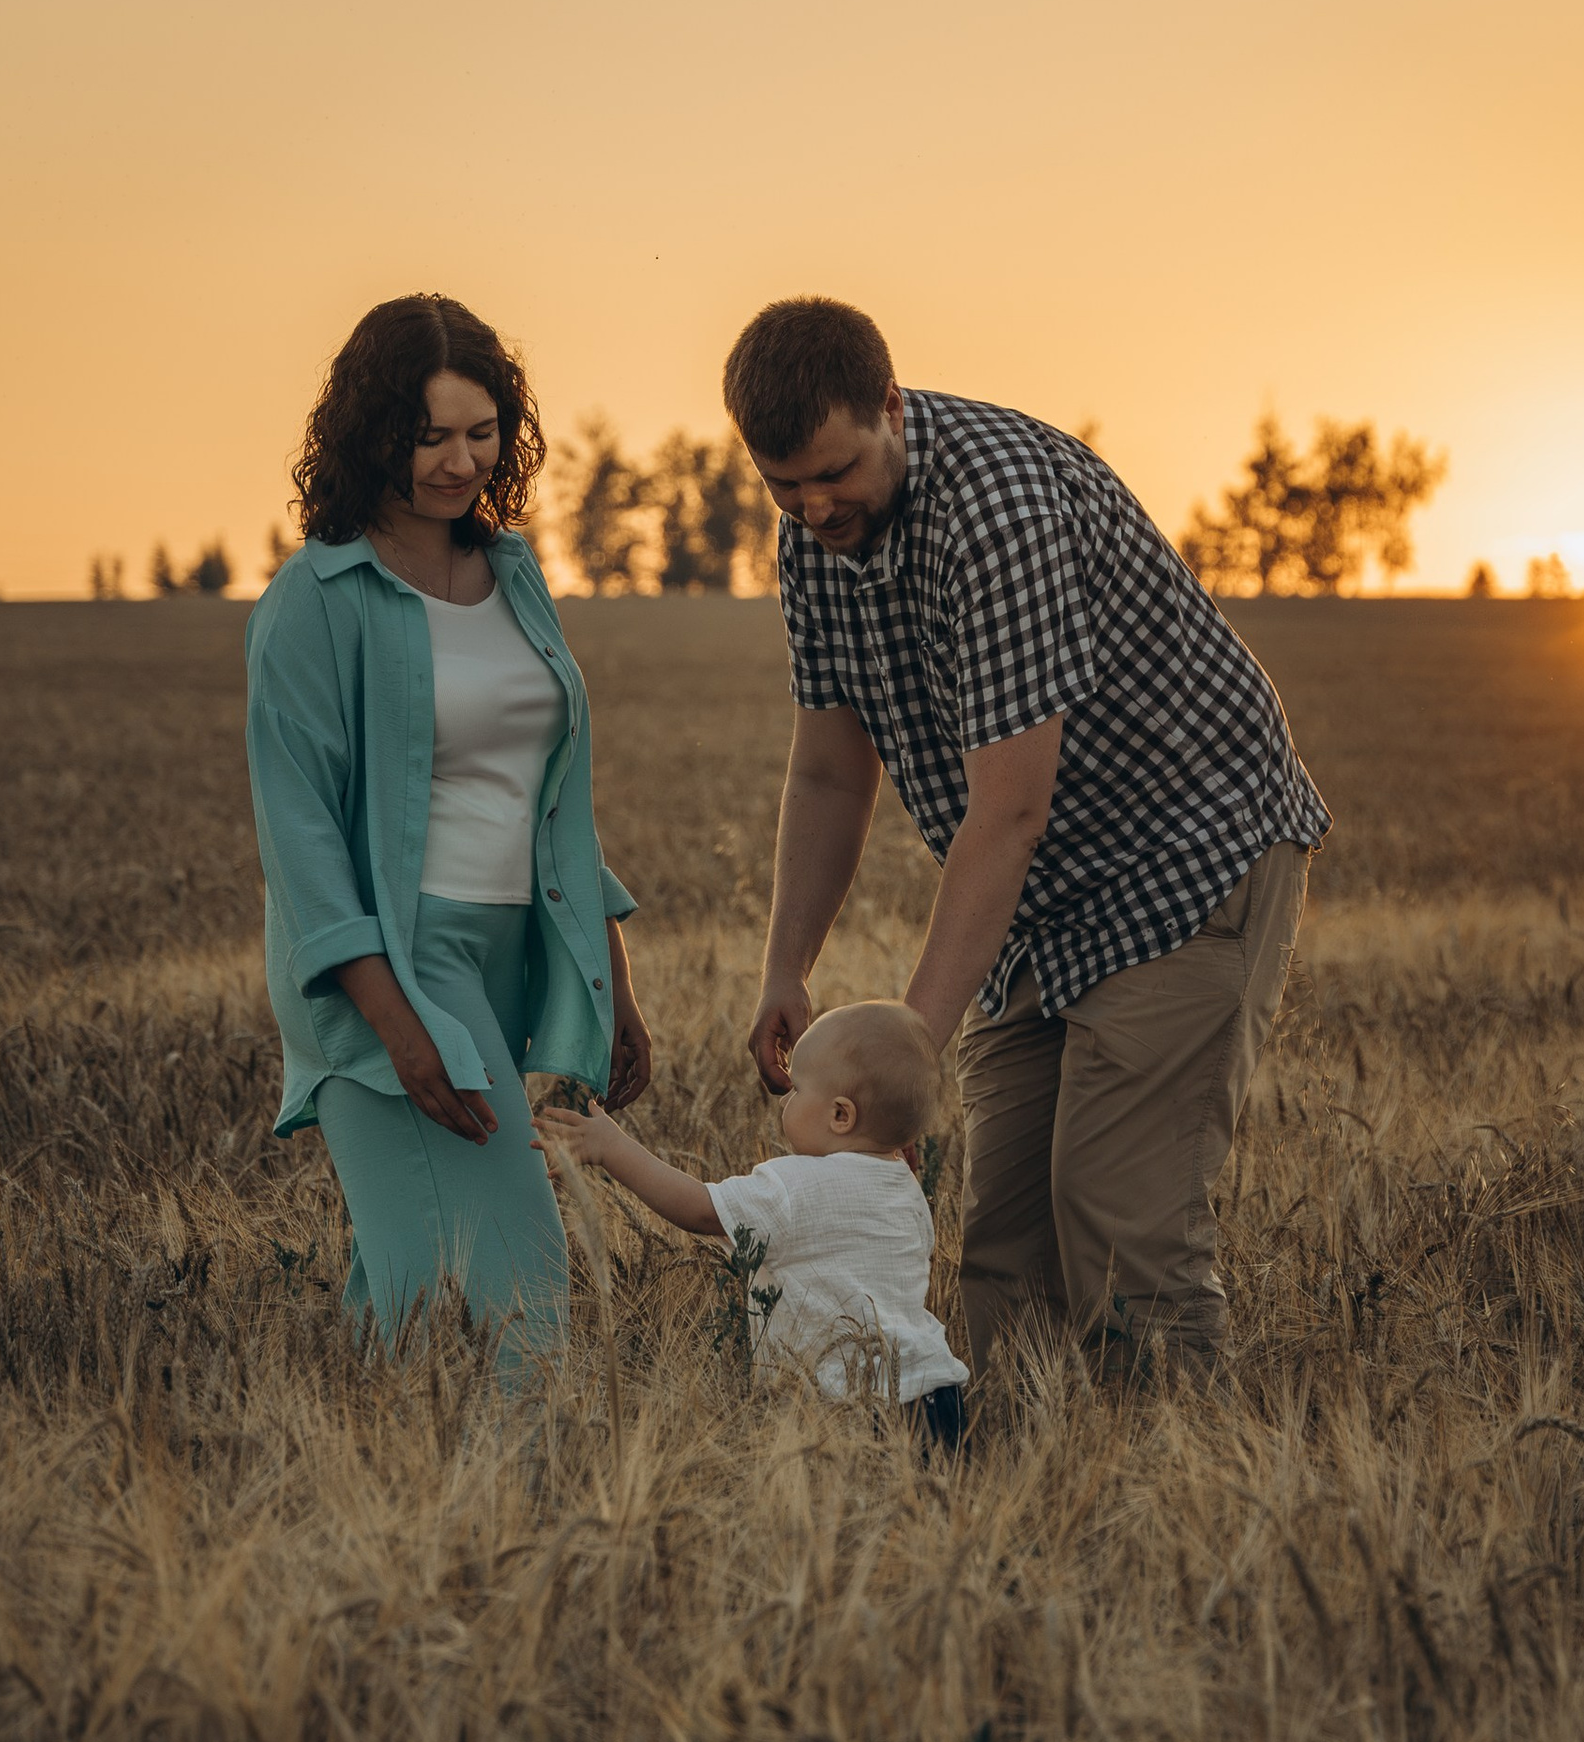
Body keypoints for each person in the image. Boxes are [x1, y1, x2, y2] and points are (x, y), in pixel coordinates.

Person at [723, 296, 1329, 1390]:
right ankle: (1031, 1497)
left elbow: (1009, 810)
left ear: (892, 411)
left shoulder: (994, 508)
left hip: (1181, 858)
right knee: (1003, 1234)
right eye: (784, 486)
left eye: (835, 471)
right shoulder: (811, 543)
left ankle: (1166, 1498)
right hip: (1042, 903)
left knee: (1121, 1224)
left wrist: (905, 1042)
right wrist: (786, 966)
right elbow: (827, 765)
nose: (813, 506)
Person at [244, 292, 648, 1377]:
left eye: (481, 432)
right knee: (516, 1277)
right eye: (429, 435)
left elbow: (546, 789)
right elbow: (302, 834)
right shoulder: (314, 601)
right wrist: (396, 1021)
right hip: (398, 964)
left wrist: (612, 968)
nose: (459, 461)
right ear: (371, 432)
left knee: (418, 1289)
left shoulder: (514, 575)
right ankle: (520, 1516)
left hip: (511, 954)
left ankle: (370, 1498)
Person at [538, 1003, 967, 1441]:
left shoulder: (795, 1186)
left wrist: (613, 1149)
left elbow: (701, 1209)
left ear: (841, 1115)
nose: (787, 1098)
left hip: (849, 1410)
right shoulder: (910, 1192)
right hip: (936, 1396)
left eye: (798, 1089)